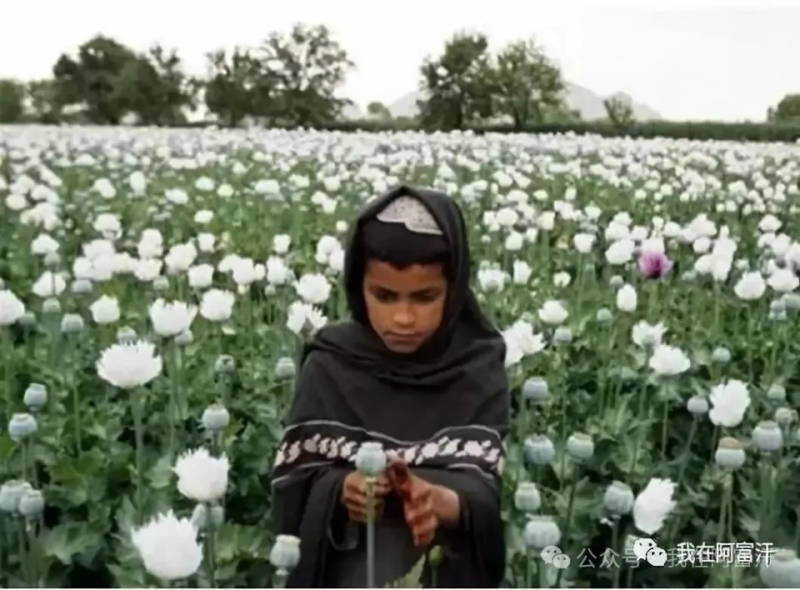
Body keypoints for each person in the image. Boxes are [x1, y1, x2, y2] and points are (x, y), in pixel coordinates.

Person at [270, 185, 510, 588]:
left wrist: (443, 502)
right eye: (384, 295)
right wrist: (341, 489)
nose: (402, 318)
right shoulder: (330, 363)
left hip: (439, 572)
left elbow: (484, 491)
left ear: (454, 290)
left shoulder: (478, 367)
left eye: (425, 297)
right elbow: (294, 488)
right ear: (356, 285)